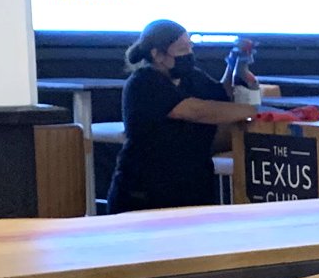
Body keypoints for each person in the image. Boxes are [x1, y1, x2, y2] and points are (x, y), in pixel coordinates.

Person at [108, 20, 261, 213]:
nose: (188, 54)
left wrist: (235, 65)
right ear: (158, 55)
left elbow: (221, 95)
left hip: (192, 191)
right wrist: (256, 112)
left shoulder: (192, 77)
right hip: (146, 195)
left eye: (190, 47)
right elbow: (195, 111)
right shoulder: (143, 83)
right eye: (181, 49)